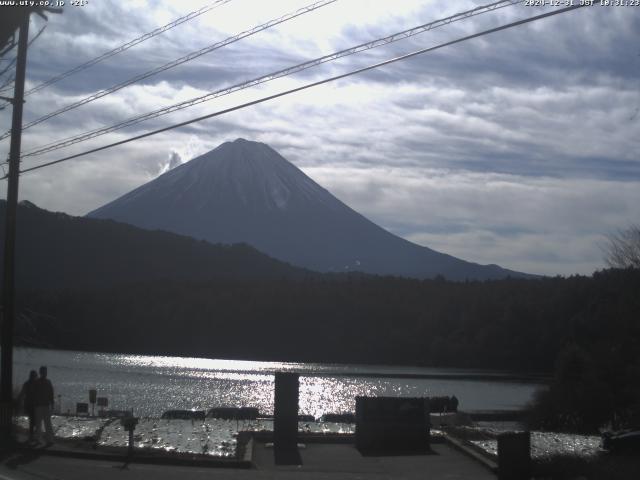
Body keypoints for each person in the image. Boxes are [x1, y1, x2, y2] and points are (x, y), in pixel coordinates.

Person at [33, 365, 55, 445]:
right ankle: (39, 439)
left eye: (45, 372)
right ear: (41, 372)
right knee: (39, 423)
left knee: (47, 423)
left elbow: (51, 393)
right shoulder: (37, 382)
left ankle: (49, 439)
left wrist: (52, 403)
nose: (45, 373)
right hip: (39, 405)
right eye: (44, 372)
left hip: (45, 405)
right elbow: (34, 394)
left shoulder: (47, 382)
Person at [17, 370, 38, 441]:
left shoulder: (27, 383)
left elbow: (22, 393)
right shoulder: (35, 383)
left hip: (30, 404)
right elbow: (22, 393)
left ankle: (32, 435)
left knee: (32, 420)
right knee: (33, 420)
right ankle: (32, 435)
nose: (36, 377)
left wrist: (18, 400)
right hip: (33, 404)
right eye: (35, 376)